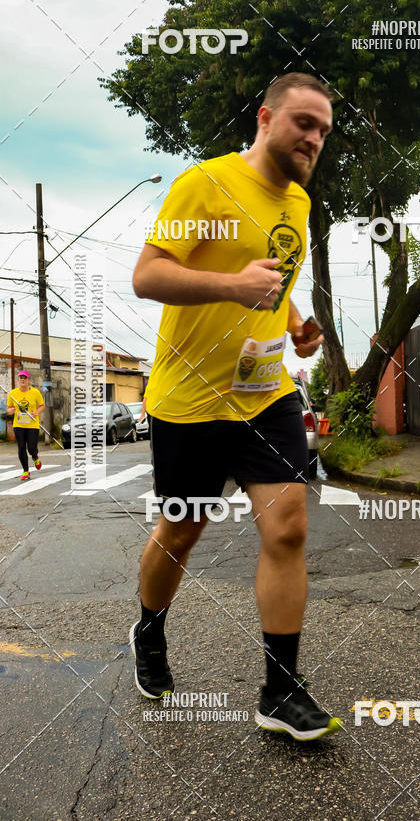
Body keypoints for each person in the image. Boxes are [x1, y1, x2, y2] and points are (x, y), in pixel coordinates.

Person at [130, 72, 341, 740]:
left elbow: (274, 287)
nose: (314, 138)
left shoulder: (300, 205)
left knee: (287, 529)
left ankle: (281, 691)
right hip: (190, 399)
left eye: (324, 131)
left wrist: (298, 325)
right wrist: (231, 285)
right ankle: (150, 629)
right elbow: (147, 274)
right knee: (181, 532)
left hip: (266, 394)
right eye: (304, 123)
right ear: (266, 118)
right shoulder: (206, 184)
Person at [6, 370, 44, 481]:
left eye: (25, 378)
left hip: (32, 425)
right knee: (21, 447)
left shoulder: (35, 392)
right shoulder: (13, 393)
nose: (22, 379)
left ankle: (35, 457)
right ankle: (26, 471)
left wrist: (36, 412)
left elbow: (42, 405)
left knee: (31, 448)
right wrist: (11, 410)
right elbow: (8, 409)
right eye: (20, 378)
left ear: (28, 380)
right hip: (19, 425)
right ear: (18, 380)